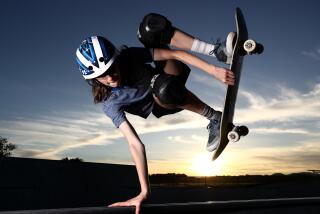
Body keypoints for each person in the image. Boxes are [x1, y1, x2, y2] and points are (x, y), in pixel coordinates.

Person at [76, 13, 235, 214]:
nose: (110, 77)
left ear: (116, 59)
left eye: (111, 68)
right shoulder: (109, 104)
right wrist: (144, 192)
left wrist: (213, 70)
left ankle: (217, 51)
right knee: (162, 88)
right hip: (162, 100)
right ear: (93, 80)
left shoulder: (129, 57)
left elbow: (175, 55)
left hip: (169, 75)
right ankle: (214, 117)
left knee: (150, 27)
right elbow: (135, 144)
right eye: (101, 76)